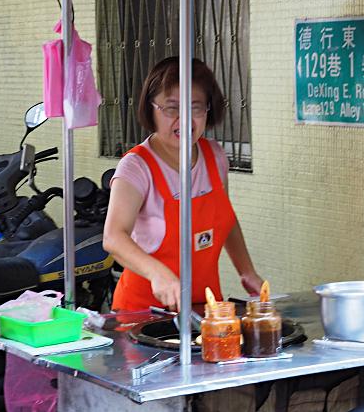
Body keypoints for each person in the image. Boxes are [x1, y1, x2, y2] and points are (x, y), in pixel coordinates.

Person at [105, 57, 264, 311]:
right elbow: (113, 237)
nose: (185, 119)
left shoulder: (215, 156)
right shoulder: (136, 166)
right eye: (171, 108)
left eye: (196, 107)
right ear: (151, 109)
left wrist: (247, 271)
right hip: (143, 314)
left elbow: (226, 218)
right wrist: (157, 273)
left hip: (204, 308)